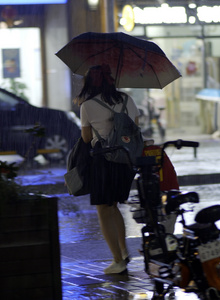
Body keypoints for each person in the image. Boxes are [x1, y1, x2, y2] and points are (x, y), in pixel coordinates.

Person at [75, 64, 140, 274]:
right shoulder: (127, 99)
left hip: (103, 161)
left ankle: (117, 260)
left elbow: (86, 139)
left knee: (104, 210)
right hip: (126, 161)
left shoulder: (87, 106)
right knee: (114, 206)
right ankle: (123, 250)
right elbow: (135, 128)